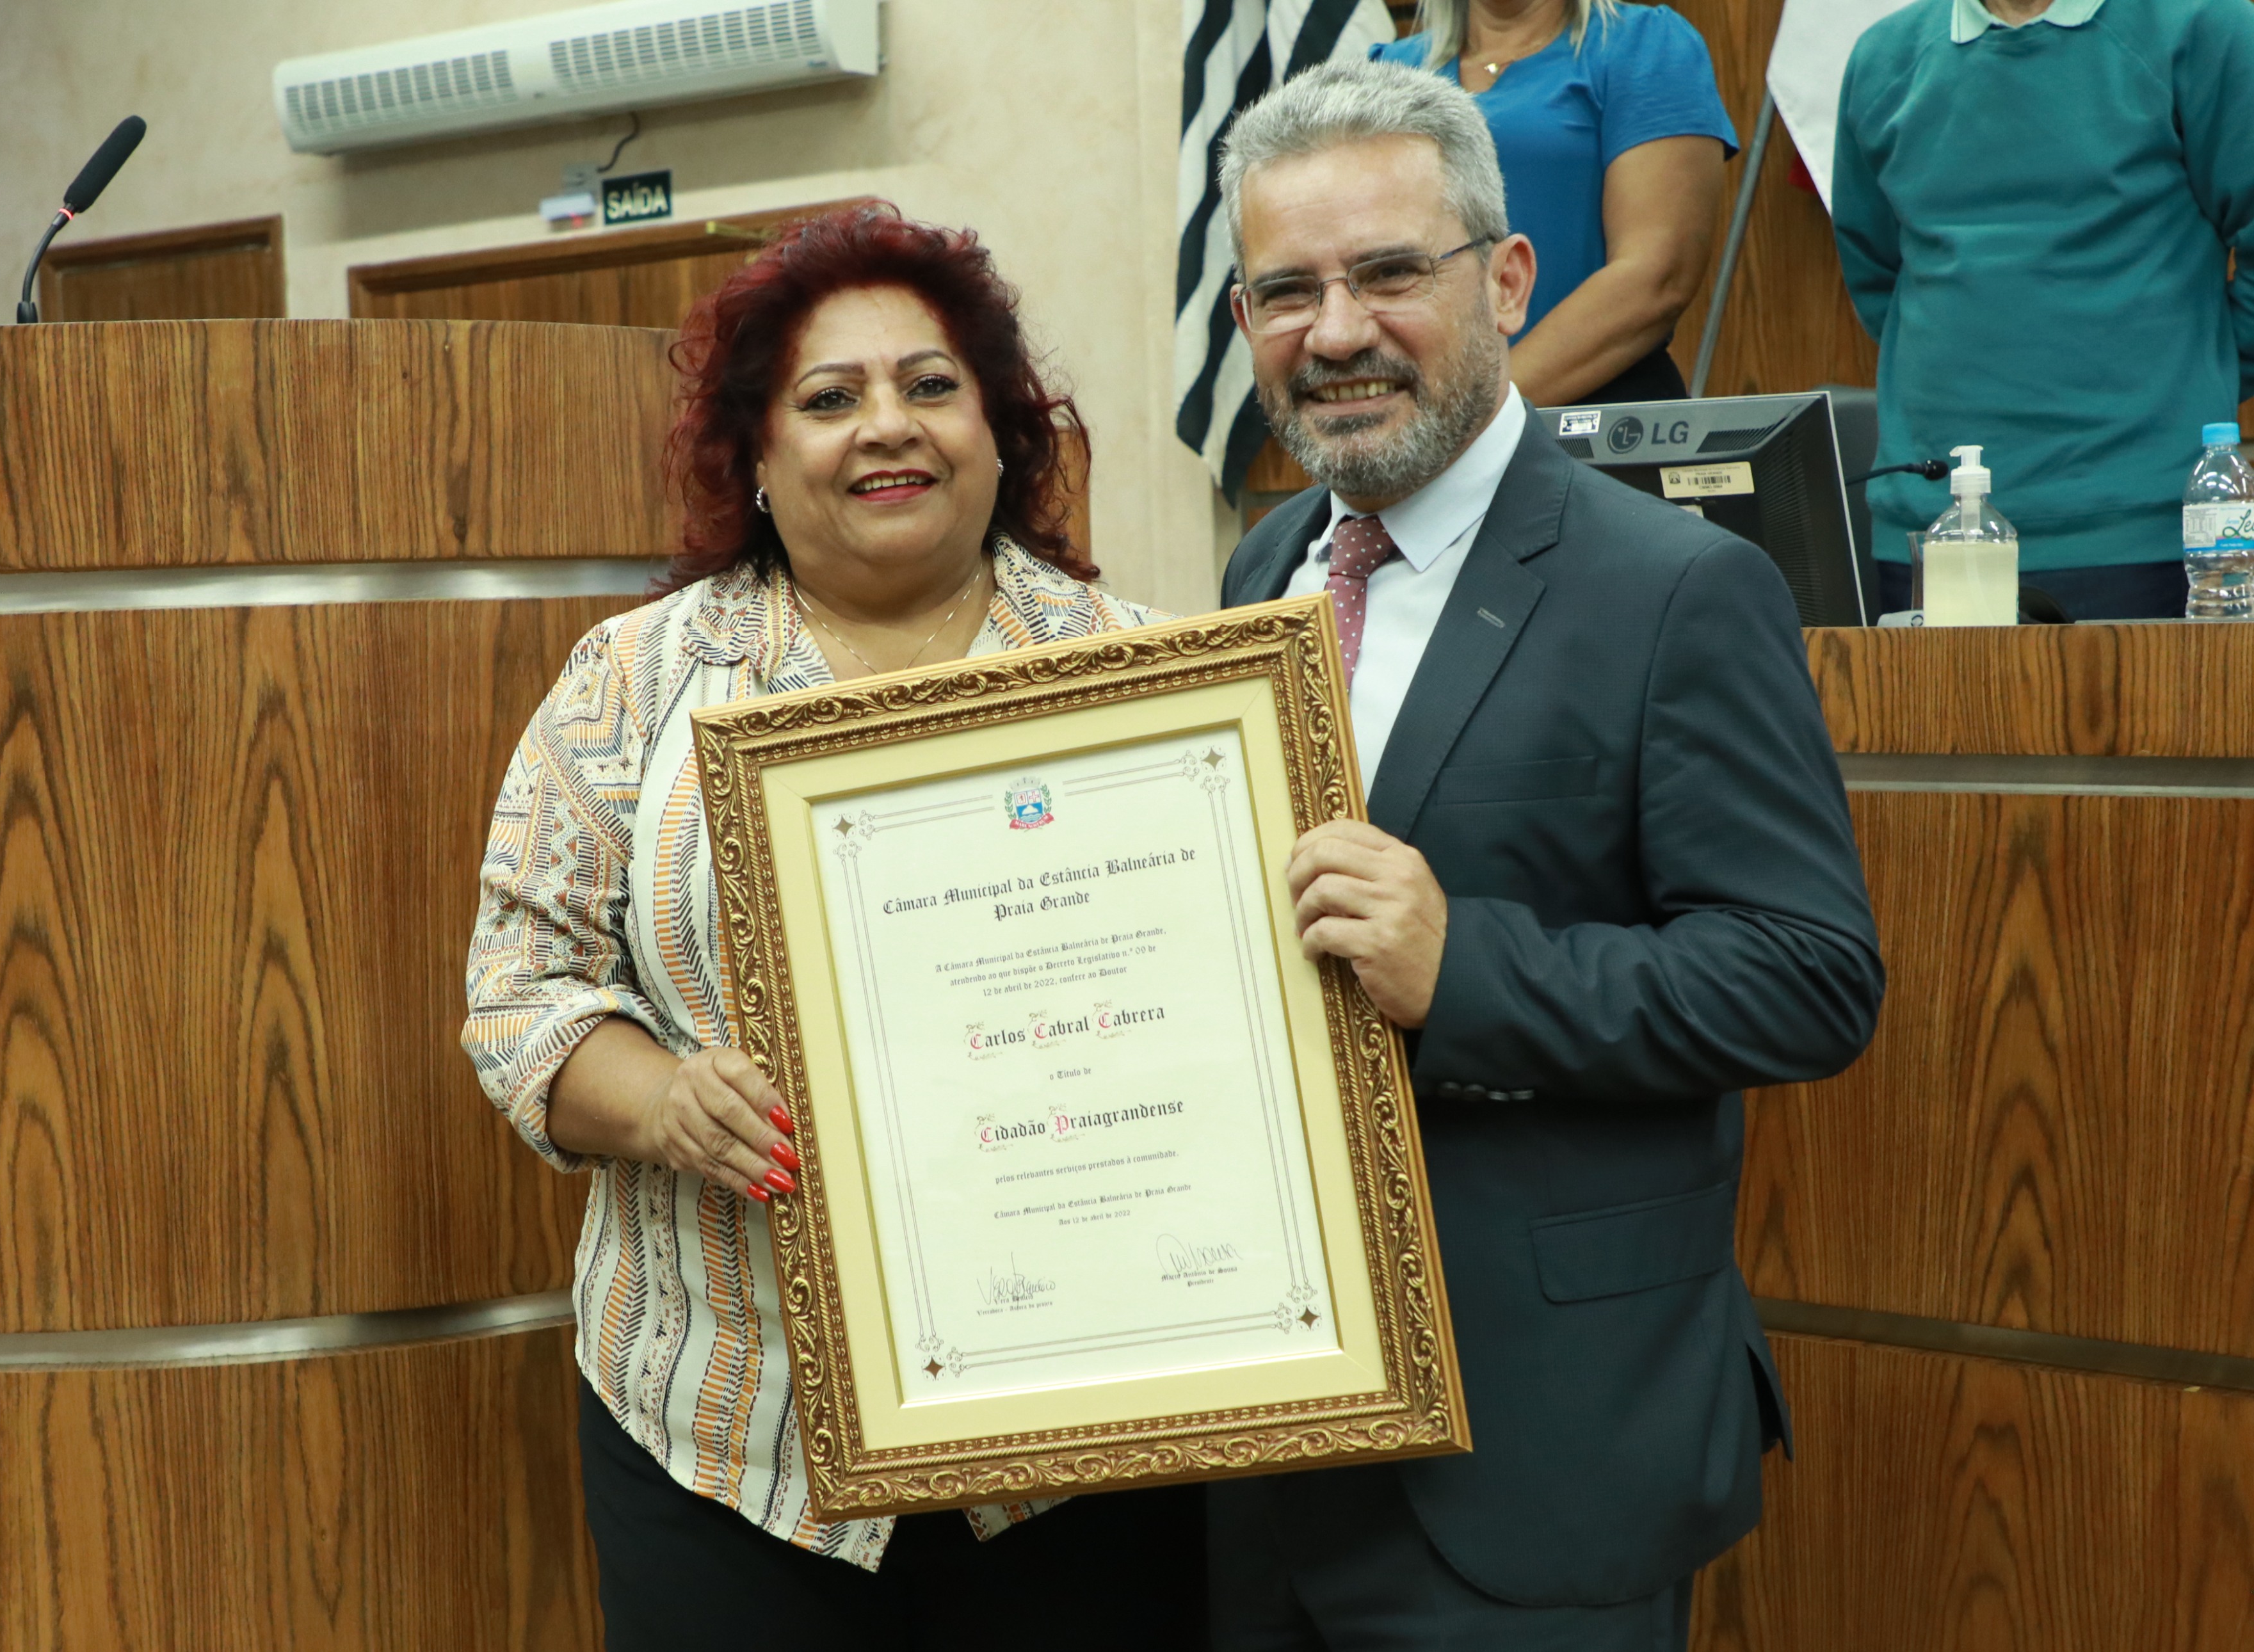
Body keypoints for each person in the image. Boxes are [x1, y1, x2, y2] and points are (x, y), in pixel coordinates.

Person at [459, 204, 1203, 1652]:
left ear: (1000, 430)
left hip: (1083, 1428)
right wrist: (664, 1099)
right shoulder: (633, 681)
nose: (888, 426)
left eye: (931, 385)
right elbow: (519, 988)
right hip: (727, 1430)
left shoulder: (1149, 677)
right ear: (753, 451)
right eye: (828, 397)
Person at [1208, 61, 1883, 1648]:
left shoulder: (1675, 588)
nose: (1336, 331)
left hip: (1541, 1451)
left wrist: (1467, 969)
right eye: (1287, 291)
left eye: (1388, 272)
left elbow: (1808, 977)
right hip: (1273, 1445)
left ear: (1507, 281)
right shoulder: (1262, 571)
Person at [1833, 0, 2254, 620]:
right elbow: (1878, 278)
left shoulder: (2203, 26)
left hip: (2143, 536)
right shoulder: (1883, 59)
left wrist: (2192, 374)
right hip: (1930, 536)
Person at [1373, 0, 1734, 407]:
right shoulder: (1387, 72)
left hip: (1594, 420)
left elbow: (1656, 277)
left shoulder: (1645, 45)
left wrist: (1480, 415)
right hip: (1420, 422)